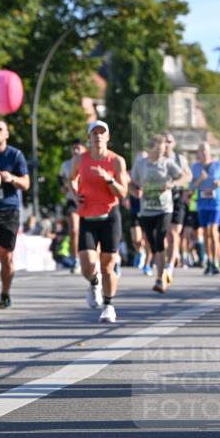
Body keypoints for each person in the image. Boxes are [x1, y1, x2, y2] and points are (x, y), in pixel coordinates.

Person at [71, 120, 128, 323]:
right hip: (87, 216)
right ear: (89, 137)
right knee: (87, 265)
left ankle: (108, 305)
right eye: (94, 133)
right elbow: (71, 179)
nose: (98, 136)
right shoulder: (80, 159)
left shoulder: (116, 161)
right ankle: (94, 283)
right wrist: (75, 194)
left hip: (110, 216)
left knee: (108, 265)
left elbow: (123, 193)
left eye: (102, 133)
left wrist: (109, 179)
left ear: (108, 137)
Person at [0, 119, 30, 309]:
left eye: (0, 129)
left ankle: (5, 293)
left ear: (7, 134)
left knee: (5, 257)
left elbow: (26, 184)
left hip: (9, 211)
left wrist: (12, 178)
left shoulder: (15, 155)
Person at [130, 134, 184, 294]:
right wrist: (135, 192)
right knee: (152, 243)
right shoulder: (140, 164)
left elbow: (182, 177)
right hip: (146, 209)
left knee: (160, 238)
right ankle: (162, 272)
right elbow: (131, 183)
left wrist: (172, 184)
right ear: (151, 148)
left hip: (164, 208)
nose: (161, 152)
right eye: (158, 149)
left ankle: (160, 278)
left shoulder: (167, 163)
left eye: (163, 150)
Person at [189, 142, 220, 275]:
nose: (204, 153)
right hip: (202, 204)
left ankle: (216, 261)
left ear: (210, 152)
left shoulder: (219, 165)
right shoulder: (195, 167)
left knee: (213, 231)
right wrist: (200, 180)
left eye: (206, 150)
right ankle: (209, 260)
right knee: (206, 234)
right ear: (198, 153)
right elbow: (191, 187)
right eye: (201, 151)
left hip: (216, 203)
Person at [163, 132, 191, 284]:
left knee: (174, 233)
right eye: (164, 141)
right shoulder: (156, 159)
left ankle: (169, 267)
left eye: (169, 141)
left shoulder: (180, 159)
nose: (166, 144)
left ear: (173, 144)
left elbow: (188, 177)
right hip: (161, 202)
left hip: (177, 198)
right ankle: (167, 260)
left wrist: (174, 184)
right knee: (165, 235)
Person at [59, 141, 85, 272]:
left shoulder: (88, 162)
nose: (75, 151)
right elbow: (61, 182)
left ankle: (94, 259)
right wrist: (64, 188)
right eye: (73, 148)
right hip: (72, 201)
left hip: (88, 201)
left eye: (78, 148)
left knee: (88, 230)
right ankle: (76, 259)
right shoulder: (66, 165)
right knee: (74, 229)